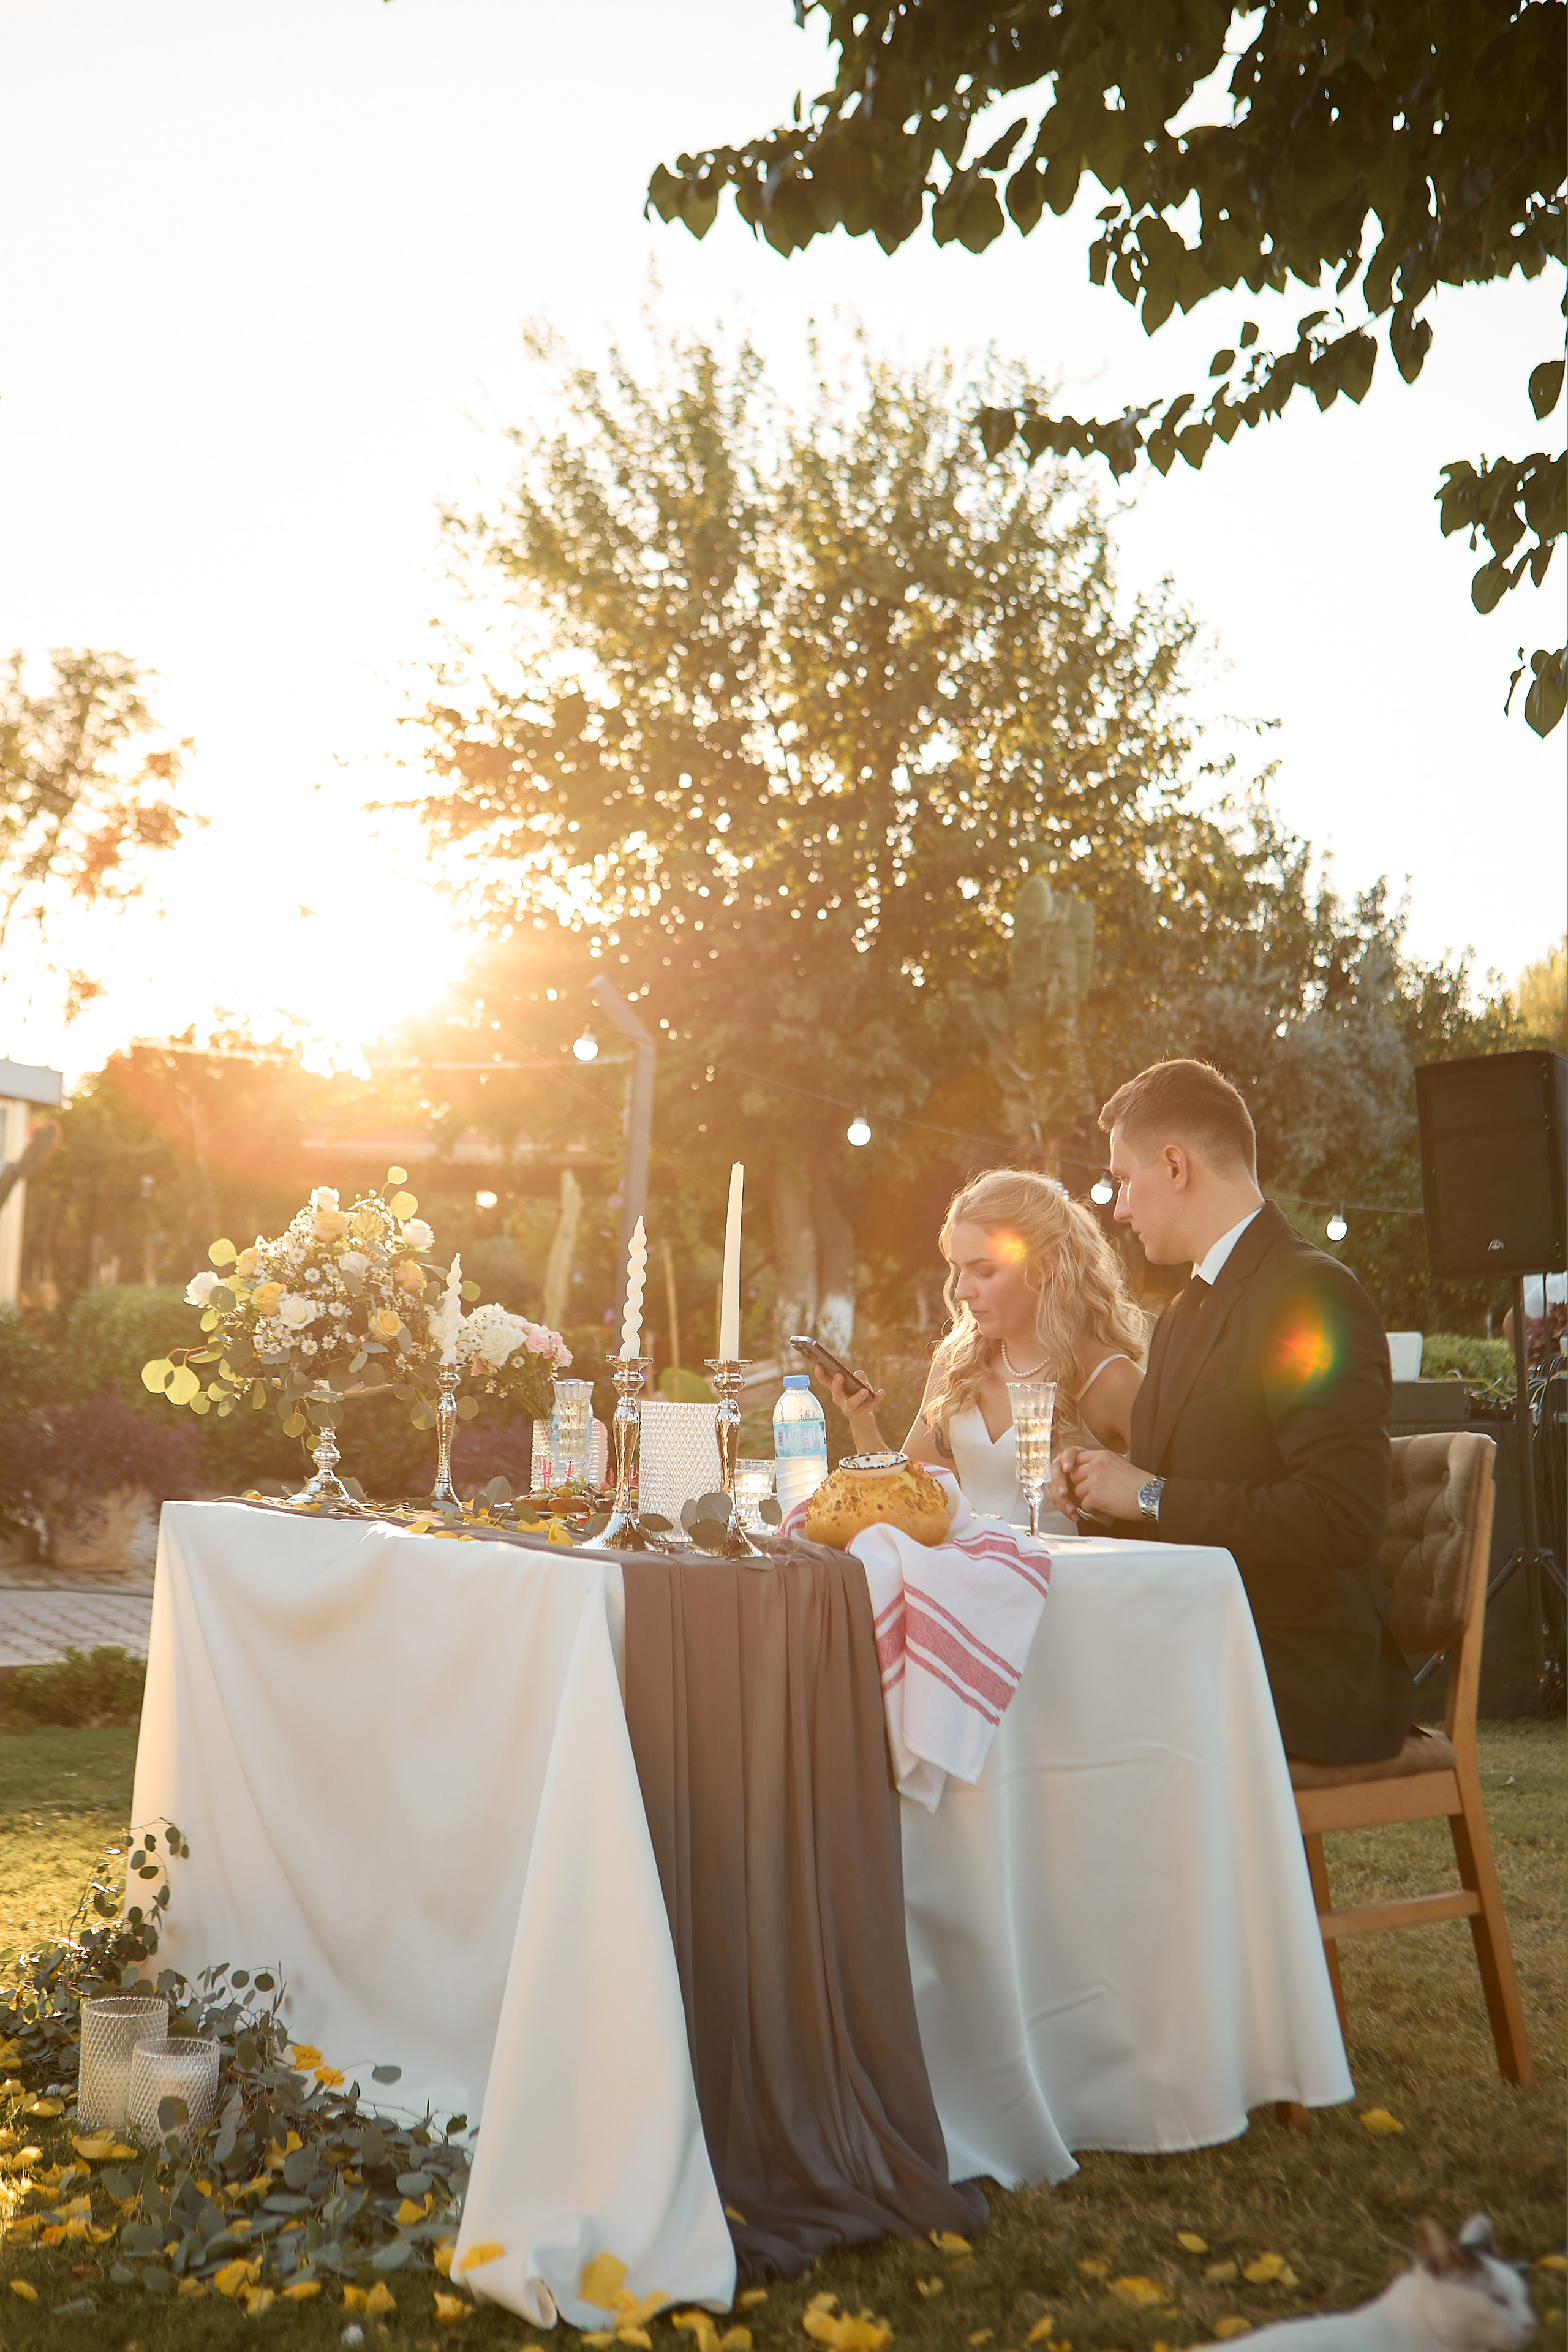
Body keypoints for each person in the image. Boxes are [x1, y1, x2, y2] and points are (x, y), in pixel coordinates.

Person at [1053, 1058, 1415, 1766]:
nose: (1118, 1209)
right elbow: (1174, 1490)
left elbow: (1339, 1518)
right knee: (1029, 1664)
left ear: (1175, 1165)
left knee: (1069, 1702)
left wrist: (1147, 1495)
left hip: (1296, 1661)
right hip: (1201, 1630)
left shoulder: (1310, 1295)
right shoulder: (1184, 1313)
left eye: (1125, 1181)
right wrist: (1102, 1492)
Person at [823, 1167, 1145, 1534]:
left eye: (984, 1271)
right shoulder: (957, 1364)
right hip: (965, 1581)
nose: (961, 1291)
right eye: (958, 1270)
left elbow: (1177, 1501)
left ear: (1044, 1267)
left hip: (1064, 1587)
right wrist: (862, 1422)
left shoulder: (1107, 1377)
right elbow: (907, 1494)